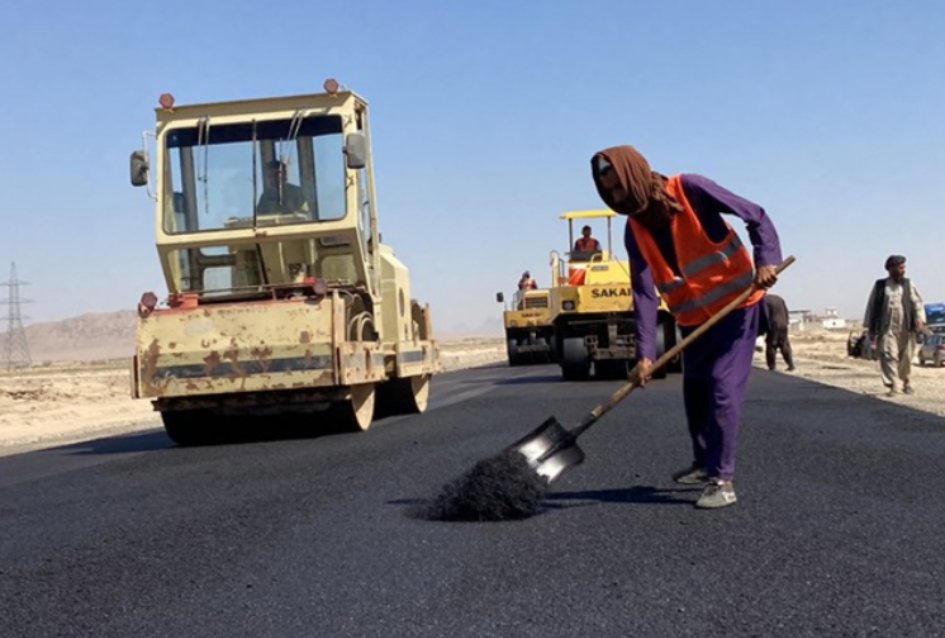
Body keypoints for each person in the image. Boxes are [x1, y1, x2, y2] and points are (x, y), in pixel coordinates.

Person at [590, 144, 783, 510]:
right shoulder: (635, 230)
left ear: (634, 174)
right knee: (695, 390)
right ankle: (703, 461)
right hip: (694, 319)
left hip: (737, 307)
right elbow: (644, 293)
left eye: (619, 187)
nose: (616, 198)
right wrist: (645, 355)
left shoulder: (691, 189)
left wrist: (765, 259)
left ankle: (722, 479)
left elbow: (756, 215)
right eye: (609, 192)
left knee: (722, 387)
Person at [862, 254, 926, 396]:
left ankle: (906, 380)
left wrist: (920, 319)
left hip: (906, 327)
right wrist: (870, 326)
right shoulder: (880, 286)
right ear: (891, 269)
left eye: (904, 267)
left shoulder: (908, 284)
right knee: (888, 355)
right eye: (900, 267)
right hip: (887, 328)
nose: (903, 270)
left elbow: (917, 303)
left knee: (906, 357)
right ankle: (894, 385)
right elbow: (872, 306)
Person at [764, 293, 795, 372]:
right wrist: (786, 322)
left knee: (771, 345)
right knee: (784, 344)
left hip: (773, 324)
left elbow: (765, 315)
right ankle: (791, 365)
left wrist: (764, 328)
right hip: (783, 324)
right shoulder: (778, 298)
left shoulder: (764, 300)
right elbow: (786, 311)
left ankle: (772, 366)